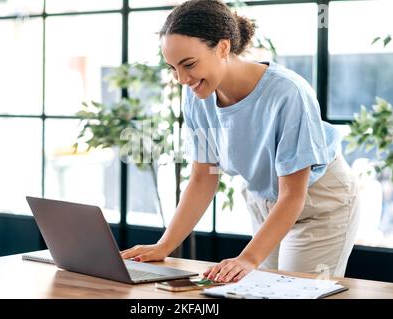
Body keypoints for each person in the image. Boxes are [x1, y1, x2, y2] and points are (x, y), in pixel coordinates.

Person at [120, 0, 360, 282]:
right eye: (173, 68)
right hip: (266, 200)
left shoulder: (288, 92)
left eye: (189, 64)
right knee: (260, 289)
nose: (182, 79)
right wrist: (165, 245)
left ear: (222, 47)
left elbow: (294, 193)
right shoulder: (197, 96)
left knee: (294, 291)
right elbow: (203, 178)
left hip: (318, 202)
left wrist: (247, 258)